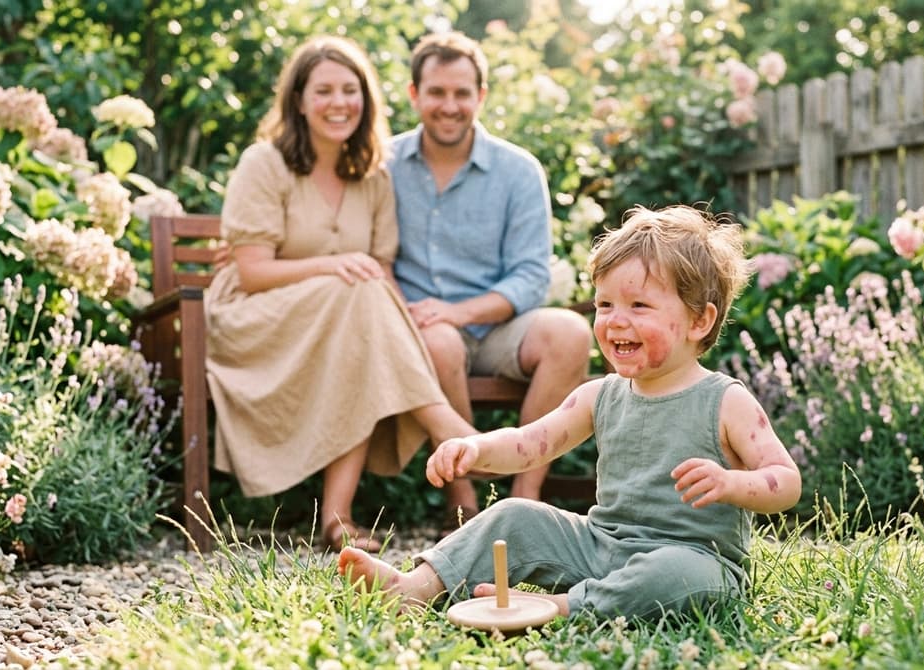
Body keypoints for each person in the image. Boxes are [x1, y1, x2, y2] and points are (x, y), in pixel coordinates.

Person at [338, 205, 803, 621]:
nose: (615, 320)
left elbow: (786, 481)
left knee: (674, 572)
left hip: (696, 559)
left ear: (699, 320)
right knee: (515, 513)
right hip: (601, 547)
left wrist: (732, 484)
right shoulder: (600, 395)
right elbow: (528, 444)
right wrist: (474, 446)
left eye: (638, 305)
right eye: (604, 305)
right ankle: (414, 588)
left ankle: (566, 606)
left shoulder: (724, 400)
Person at [204, 36, 476, 552]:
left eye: (350, 90)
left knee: (360, 324)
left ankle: (337, 518)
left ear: (366, 100)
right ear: (299, 100)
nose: (339, 103)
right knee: (356, 295)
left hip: (337, 323)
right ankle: (447, 426)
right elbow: (254, 272)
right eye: (324, 90)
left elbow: (382, 274)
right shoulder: (264, 163)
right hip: (254, 323)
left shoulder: (372, 176)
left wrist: (395, 326)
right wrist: (334, 265)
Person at [388, 31, 592, 531]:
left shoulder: (519, 170)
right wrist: (425, 316)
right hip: (420, 331)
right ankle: (464, 506)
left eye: (462, 93)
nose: (450, 105)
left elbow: (530, 275)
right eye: (437, 92)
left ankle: (524, 500)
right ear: (414, 95)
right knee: (437, 341)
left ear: (481, 96)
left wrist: (462, 311)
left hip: (500, 327)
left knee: (570, 333)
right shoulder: (384, 165)